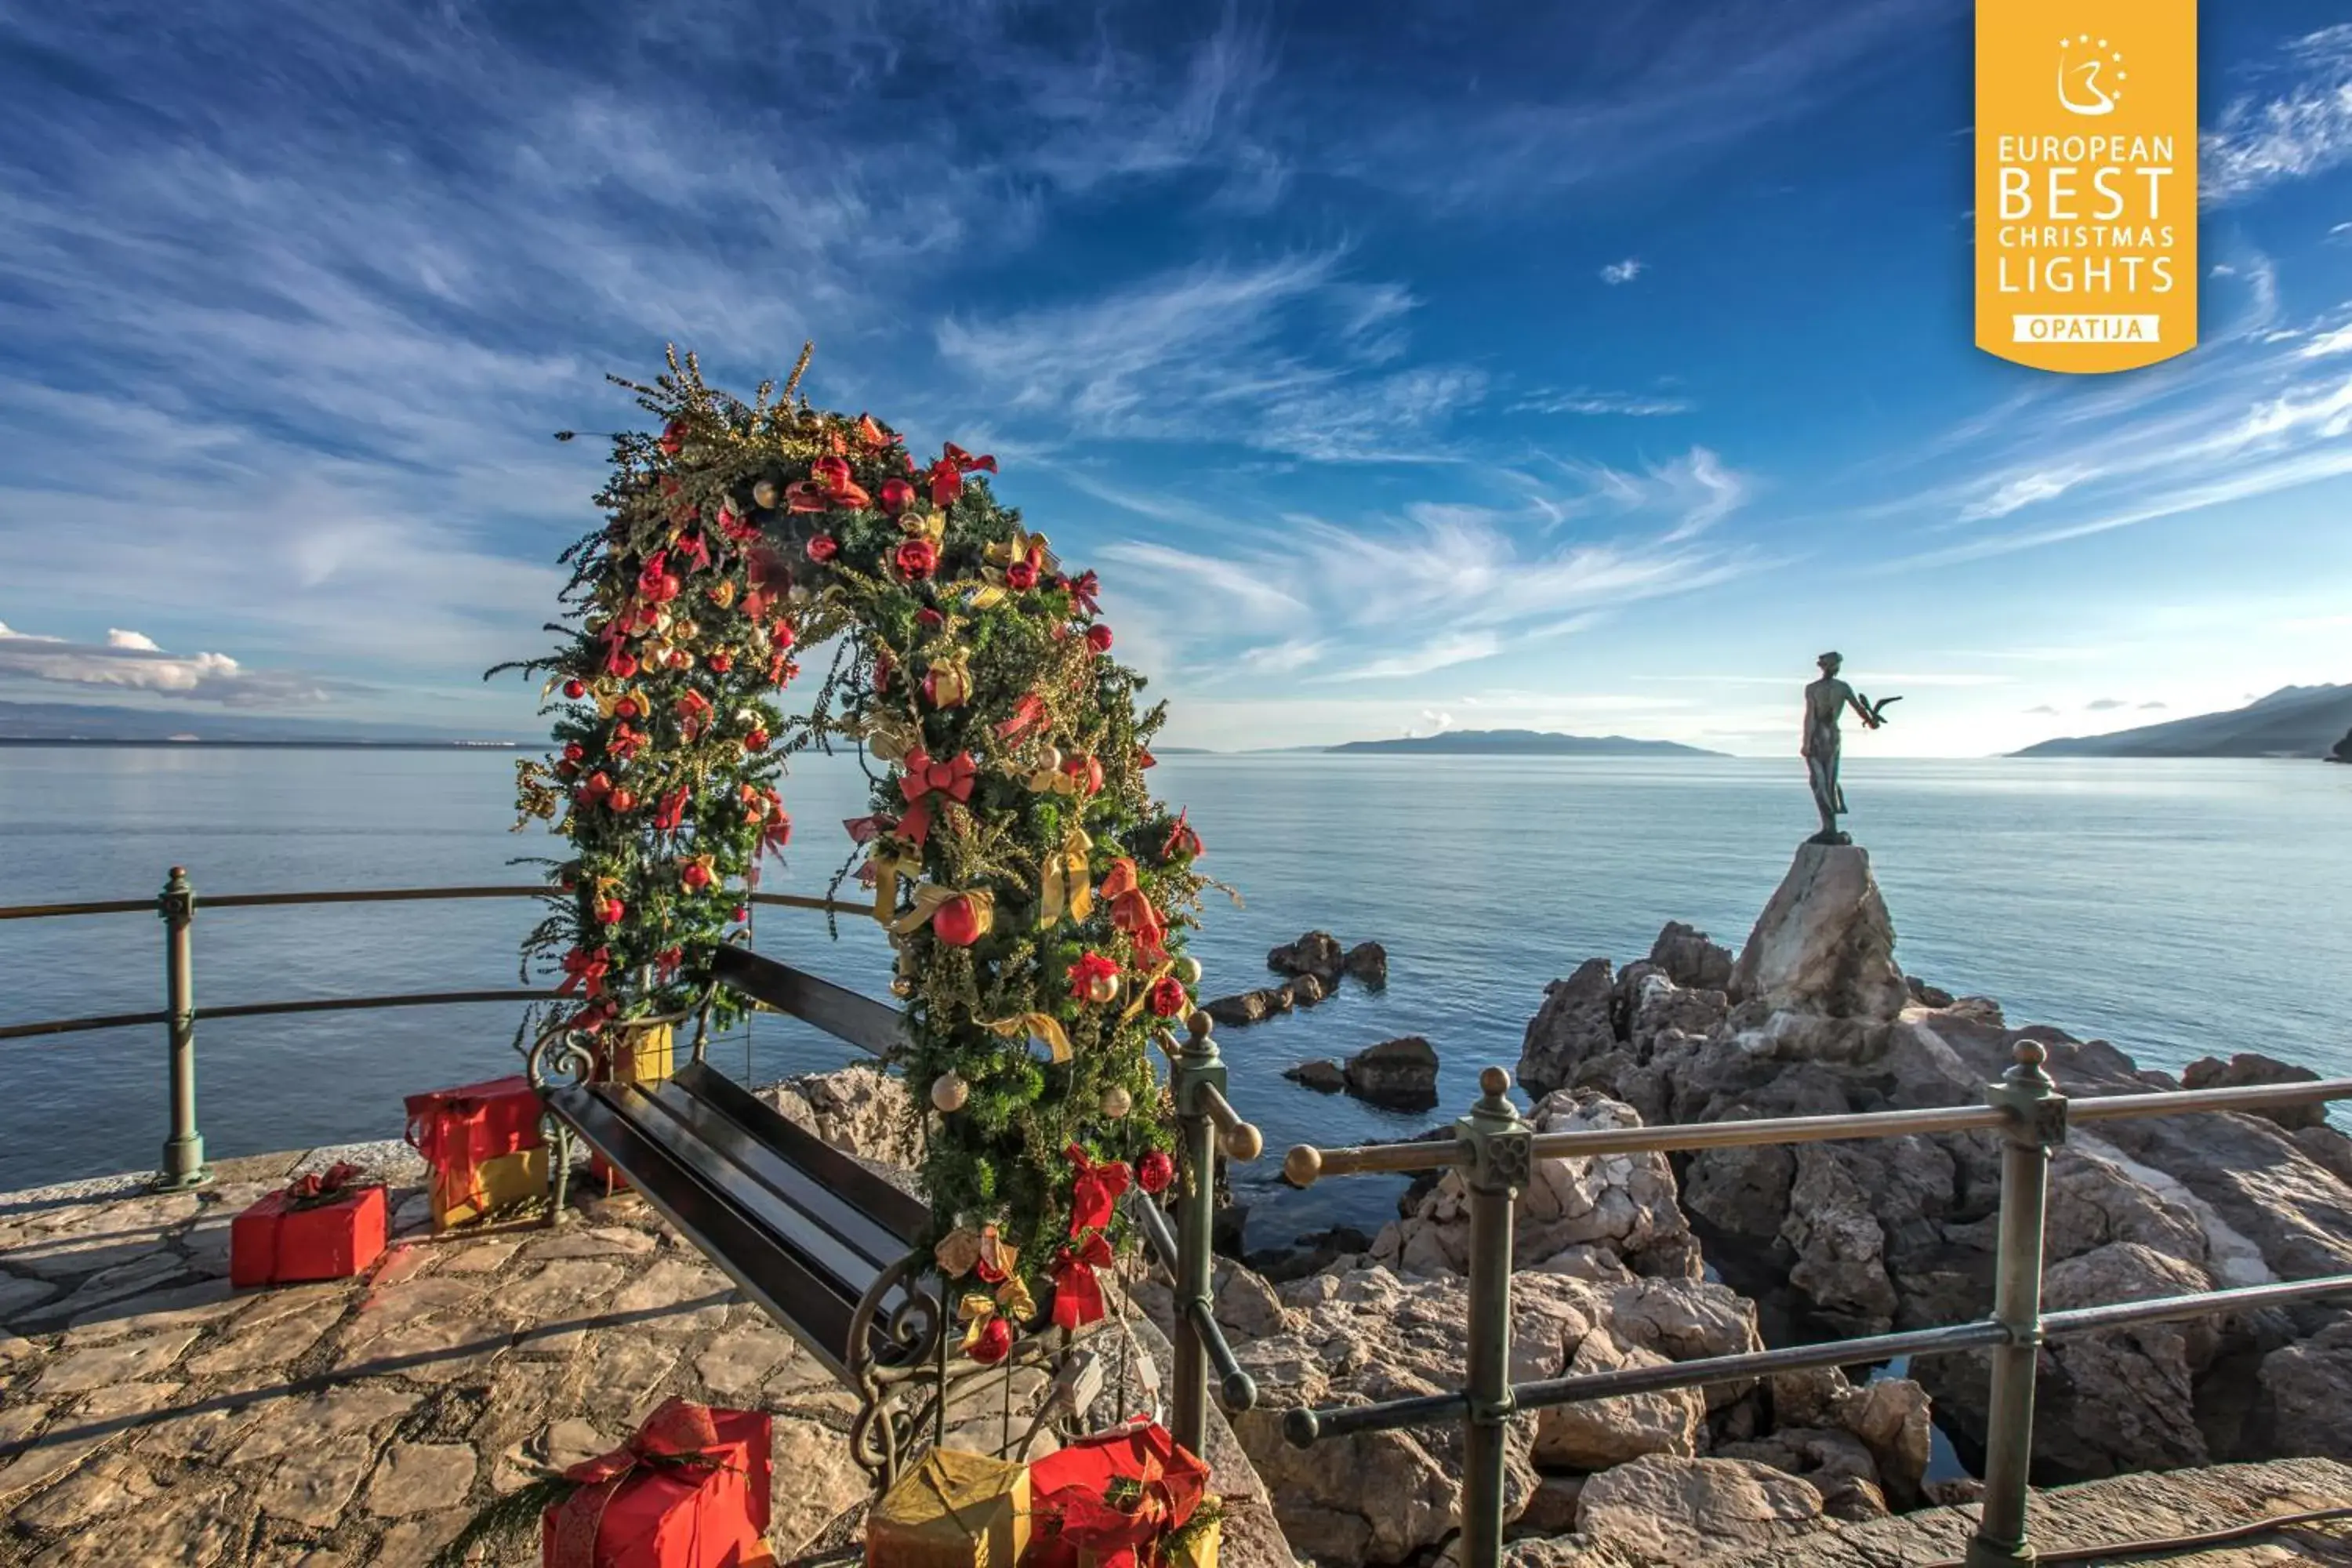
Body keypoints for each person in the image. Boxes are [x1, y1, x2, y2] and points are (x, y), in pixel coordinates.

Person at [1802, 652, 1887, 844]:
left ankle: (1829, 827)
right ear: (1833, 666)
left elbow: (1810, 717)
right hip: (1830, 737)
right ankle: (1829, 827)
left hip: (1820, 738)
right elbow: (1859, 709)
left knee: (1822, 783)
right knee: (1825, 782)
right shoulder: (1840, 688)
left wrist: (1807, 742)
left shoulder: (1813, 688)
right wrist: (1871, 721)